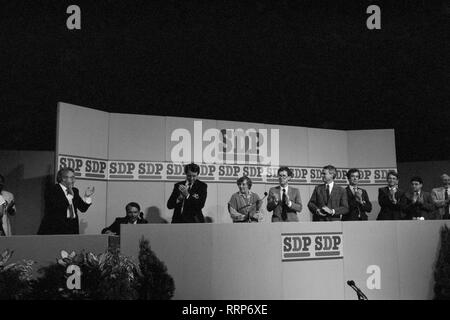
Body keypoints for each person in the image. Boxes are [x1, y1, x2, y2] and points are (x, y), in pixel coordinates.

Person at [37, 167, 95, 235]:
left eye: (74, 178)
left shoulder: (75, 191)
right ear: (63, 178)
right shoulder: (52, 190)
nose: (74, 180)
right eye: (72, 178)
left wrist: (87, 196)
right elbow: (57, 208)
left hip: (72, 230)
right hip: (55, 231)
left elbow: (82, 208)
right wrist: (70, 196)